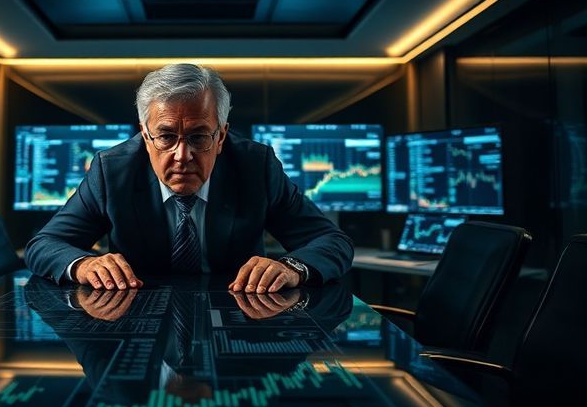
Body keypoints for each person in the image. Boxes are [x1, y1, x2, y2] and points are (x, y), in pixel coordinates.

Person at [25, 63, 353, 292]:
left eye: (199, 137)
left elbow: (333, 242)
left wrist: (292, 267)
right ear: (144, 134)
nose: (183, 156)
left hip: (241, 319)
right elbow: (44, 245)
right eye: (166, 137)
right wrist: (82, 264)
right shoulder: (112, 171)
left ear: (222, 136)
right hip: (136, 316)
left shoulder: (256, 166)